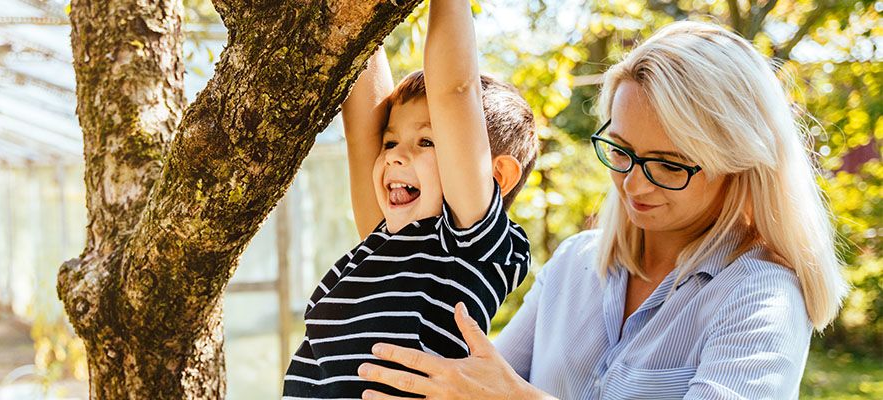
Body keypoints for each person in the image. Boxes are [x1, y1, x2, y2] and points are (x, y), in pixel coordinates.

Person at [356, 21, 848, 399]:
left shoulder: (760, 295)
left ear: (740, 162)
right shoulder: (574, 265)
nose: (632, 182)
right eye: (621, 151)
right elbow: (478, 381)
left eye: (669, 164)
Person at [281, 0, 539, 398]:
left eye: (427, 141)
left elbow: (455, 91)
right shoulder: (385, 240)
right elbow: (363, 129)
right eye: (391, 142)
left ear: (495, 176)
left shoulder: (472, 245)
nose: (395, 155)